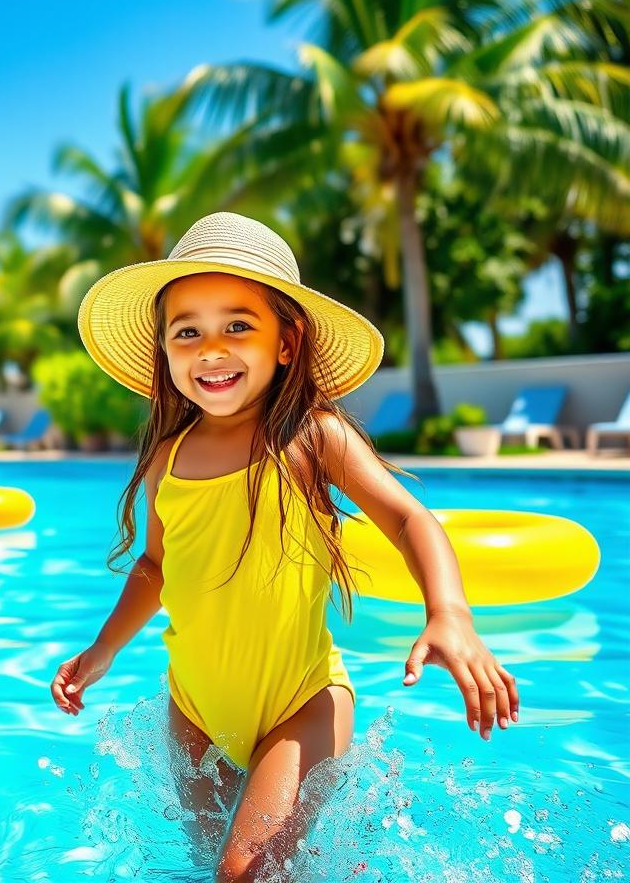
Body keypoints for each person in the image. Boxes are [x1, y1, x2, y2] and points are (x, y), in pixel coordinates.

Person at [50, 211, 520, 881]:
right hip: (197, 708)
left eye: (237, 325)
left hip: (303, 701)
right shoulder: (168, 456)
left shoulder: (312, 437)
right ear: (167, 352)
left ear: (286, 342)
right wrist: (103, 649)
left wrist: (451, 614)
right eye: (188, 332)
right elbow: (156, 566)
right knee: (204, 862)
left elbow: (411, 519)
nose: (210, 349)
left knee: (242, 871)